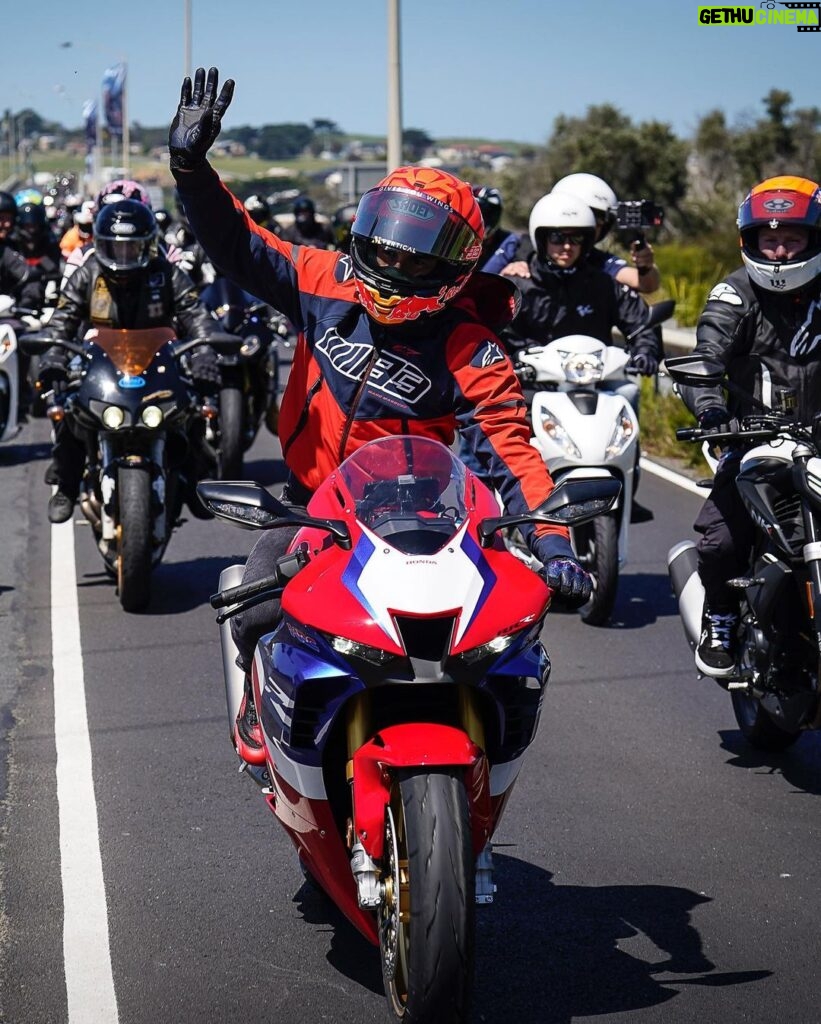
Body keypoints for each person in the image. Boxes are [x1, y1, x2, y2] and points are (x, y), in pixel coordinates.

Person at [167, 66, 593, 762]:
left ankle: (476, 759)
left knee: (498, 643)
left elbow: (516, 454)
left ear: (453, 266)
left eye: (413, 255)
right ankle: (256, 695)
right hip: (318, 508)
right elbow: (238, 244)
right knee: (252, 604)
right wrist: (191, 168)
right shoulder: (323, 280)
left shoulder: (470, 345)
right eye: (384, 243)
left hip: (432, 520)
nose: (391, 261)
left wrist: (553, 546)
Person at [678, 175, 821, 676]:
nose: (780, 251)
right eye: (770, 239)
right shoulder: (735, 294)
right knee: (721, 540)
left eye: (793, 239)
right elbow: (705, 359)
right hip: (754, 438)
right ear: (751, 241)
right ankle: (719, 615)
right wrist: (712, 413)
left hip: (820, 442)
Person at [37, 199, 221, 524]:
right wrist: (53, 354)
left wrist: (205, 351)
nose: (123, 256)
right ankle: (66, 485)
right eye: (115, 247)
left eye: (132, 248)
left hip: (159, 365)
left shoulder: (165, 274)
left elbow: (196, 313)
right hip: (101, 367)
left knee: (191, 411)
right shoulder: (87, 274)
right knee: (68, 414)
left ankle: (193, 480)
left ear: (147, 246)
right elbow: (62, 318)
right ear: (99, 244)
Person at [504, 190, 661, 522]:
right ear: (541, 239)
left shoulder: (603, 283)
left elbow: (638, 319)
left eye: (576, 238)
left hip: (597, 386)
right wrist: (512, 361)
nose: (566, 246)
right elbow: (498, 332)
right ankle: (505, 509)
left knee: (629, 393)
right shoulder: (520, 284)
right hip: (536, 387)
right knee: (503, 431)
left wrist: (646, 351)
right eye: (557, 238)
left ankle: (625, 489)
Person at [503, 173, 661, 295]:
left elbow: (645, 284)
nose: (567, 246)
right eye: (558, 238)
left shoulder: (598, 262)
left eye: (598, 223)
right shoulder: (516, 248)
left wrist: (645, 266)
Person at [471, 185, 521, 275]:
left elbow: (526, 244)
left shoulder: (509, 242)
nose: (480, 219)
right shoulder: (455, 237)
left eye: (485, 214)